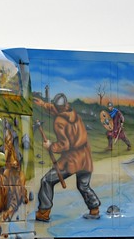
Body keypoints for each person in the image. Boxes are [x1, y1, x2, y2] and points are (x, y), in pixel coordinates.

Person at [35, 93, 100, 221]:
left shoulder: (60, 122)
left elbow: (64, 145)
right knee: (83, 185)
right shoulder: (73, 114)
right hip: (85, 157)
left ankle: (44, 212)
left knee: (46, 180)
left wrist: (51, 146)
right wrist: (43, 104)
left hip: (72, 160)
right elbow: (57, 110)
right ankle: (94, 209)